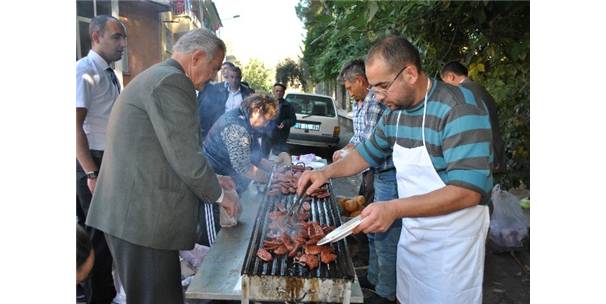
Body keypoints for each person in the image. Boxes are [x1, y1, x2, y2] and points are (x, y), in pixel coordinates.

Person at [297, 35, 493, 304]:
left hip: (452, 247)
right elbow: (367, 153)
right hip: (414, 238)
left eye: (383, 86)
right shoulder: (394, 113)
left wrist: (394, 208)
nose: (377, 96)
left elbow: (468, 192)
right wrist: (325, 172)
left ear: (410, 73)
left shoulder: (459, 109)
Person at [85, 28, 239, 304]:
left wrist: (213, 176)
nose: (214, 76)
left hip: (134, 217)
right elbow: (186, 156)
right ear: (197, 57)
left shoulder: (158, 76)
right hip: (141, 221)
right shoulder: (172, 82)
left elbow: (162, 151)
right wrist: (220, 195)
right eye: (214, 67)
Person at [332, 59, 399, 304]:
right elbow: (358, 137)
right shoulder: (360, 103)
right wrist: (345, 150)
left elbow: (371, 145)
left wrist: (345, 159)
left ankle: (386, 292)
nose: (349, 92)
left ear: (360, 81)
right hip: (372, 173)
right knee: (371, 229)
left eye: (349, 87)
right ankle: (373, 276)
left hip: (387, 174)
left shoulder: (374, 102)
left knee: (385, 233)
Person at [76, 14, 126, 304]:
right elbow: (74, 128)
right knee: (97, 240)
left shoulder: (109, 72)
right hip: (92, 161)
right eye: (116, 37)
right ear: (96, 37)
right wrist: (91, 173)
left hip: (107, 159)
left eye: (124, 38)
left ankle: (106, 296)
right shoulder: (84, 70)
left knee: (106, 239)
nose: (122, 45)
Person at [199, 94, 278, 246]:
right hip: (211, 181)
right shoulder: (237, 126)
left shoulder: (246, 120)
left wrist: (276, 169)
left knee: (229, 223)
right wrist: (272, 178)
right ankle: (209, 264)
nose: (266, 124)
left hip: (227, 180)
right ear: (256, 110)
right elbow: (244, 167)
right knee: (214, 234)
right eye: (266, 119)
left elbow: (256, 158)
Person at [440, 61, 505, 172]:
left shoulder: (462, 93)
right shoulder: (479, 89)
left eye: (444, 81)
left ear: (451, 76)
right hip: (494, 150)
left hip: (480, 154)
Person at [197, 65, 253, 139]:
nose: (234, 80)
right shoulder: (220, 92)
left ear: (240, 78)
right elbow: (212, 111)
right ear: (228, 78)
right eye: (232, 77)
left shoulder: (247, 94)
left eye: (237, 77)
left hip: (239, 130)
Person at [267, 82, 297, 155]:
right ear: (273, 91)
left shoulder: (288, 106)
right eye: (277, 91)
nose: (278, 93)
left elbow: (293, 120)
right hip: (267, 134)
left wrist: (284, 123)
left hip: (280, 136)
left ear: (283, 93)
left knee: (278, 157)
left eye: (281, 91)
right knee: (264, 156)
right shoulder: (267, 103)